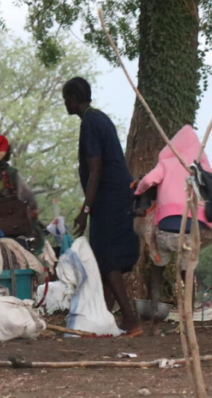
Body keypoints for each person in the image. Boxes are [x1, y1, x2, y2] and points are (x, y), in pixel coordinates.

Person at [63, 76, 140, 336]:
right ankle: (104, 318)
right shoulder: (99, 118)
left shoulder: (91, 123)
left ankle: (130, 319)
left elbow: (95, 169)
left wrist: (85, 210)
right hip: (114, 195)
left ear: (73, 99)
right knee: (104, 256)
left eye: (66, 99)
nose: (65, 104)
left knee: (107, 259)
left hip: (110, 197)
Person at [133, 125, 212, 305]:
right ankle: (189, 312)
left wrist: (138, 191)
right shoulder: (201, 169)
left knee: (158, 266)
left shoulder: (166, 163)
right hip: (191, 233)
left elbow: (148, 180)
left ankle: (154, 308)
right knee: (188, 271)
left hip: (165, 231)